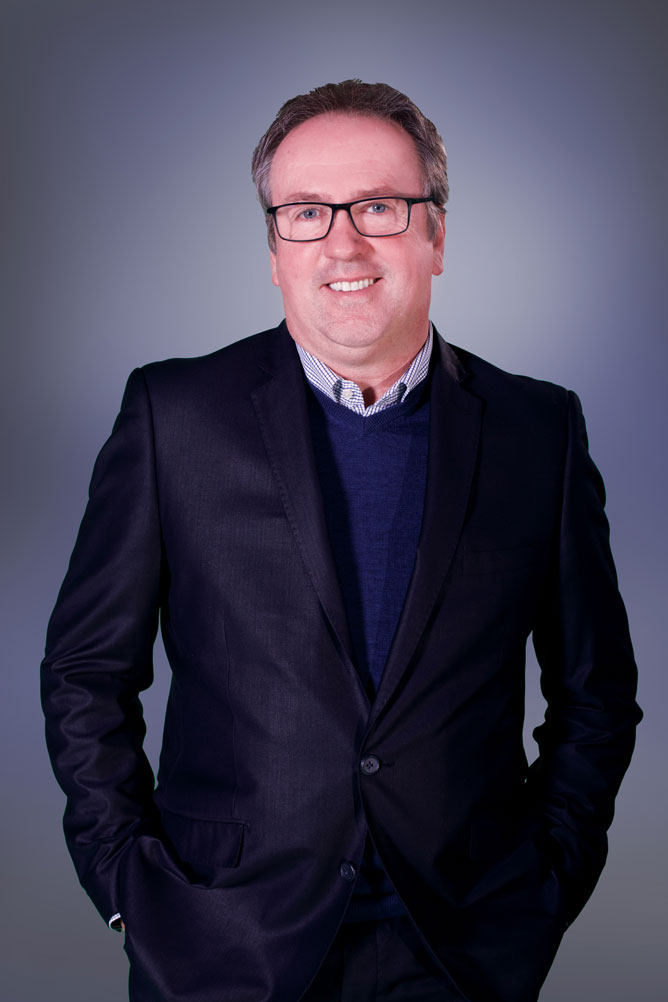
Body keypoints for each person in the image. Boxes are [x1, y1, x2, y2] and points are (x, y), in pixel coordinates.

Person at [41, 80, 641, 1002]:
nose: (344, 243)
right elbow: (86, 673)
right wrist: (129, 889)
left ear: (436, 235)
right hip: (223, 940)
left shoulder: (538, 431)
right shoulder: (173, 418)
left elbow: (595, 691)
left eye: (380, 207)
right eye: (308, 212)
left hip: (462, 946)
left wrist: (548, 882)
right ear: (274, 249)